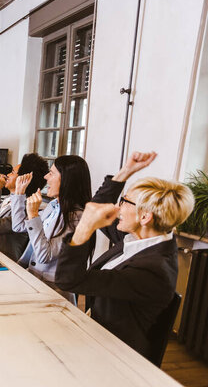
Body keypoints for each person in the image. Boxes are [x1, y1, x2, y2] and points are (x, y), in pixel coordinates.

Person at [55, 152, 194, 360]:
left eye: (125, 201)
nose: (118, 207)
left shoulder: (153, 270)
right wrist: (125, 172)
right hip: (95, 333)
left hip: (113, 355)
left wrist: (85, 227)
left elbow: (68, 280)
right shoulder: (140, 238)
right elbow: (96, 207)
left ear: (145, 216)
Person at [12, 155, 91, 302]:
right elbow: (18, 226)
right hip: (34, 280)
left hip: (52, 291)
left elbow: (44, 256)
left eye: (52, 173)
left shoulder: (77, 217)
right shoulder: (54, 205)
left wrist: (34, 214)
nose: (46, 177)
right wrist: (19, 193)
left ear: (67, 180)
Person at [0, 153, 49, 262]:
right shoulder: (9, 199)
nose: (8, 174)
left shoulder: (23, 209)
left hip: (2, 262)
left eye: (12, 172)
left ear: (23, 180)